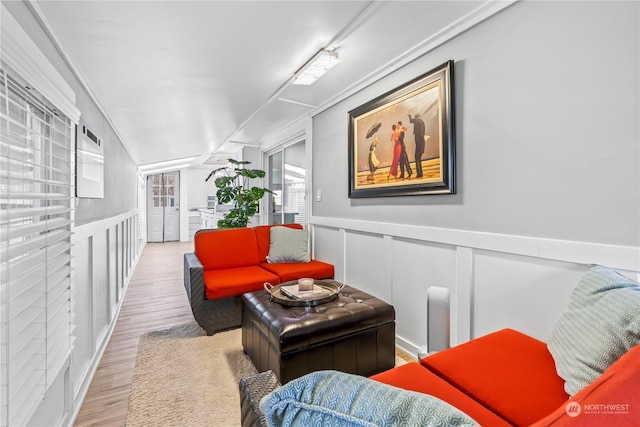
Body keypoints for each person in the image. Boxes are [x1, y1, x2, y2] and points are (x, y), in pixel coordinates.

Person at [407, 111, 425, 178]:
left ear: (416, 118)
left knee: (417, 158)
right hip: (421, 143)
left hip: (419, 143)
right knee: (418, 158)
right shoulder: (422, 122)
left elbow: (411, 120)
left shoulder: (418, 121)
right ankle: (420, 173)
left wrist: (409, 115)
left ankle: (419, 173)